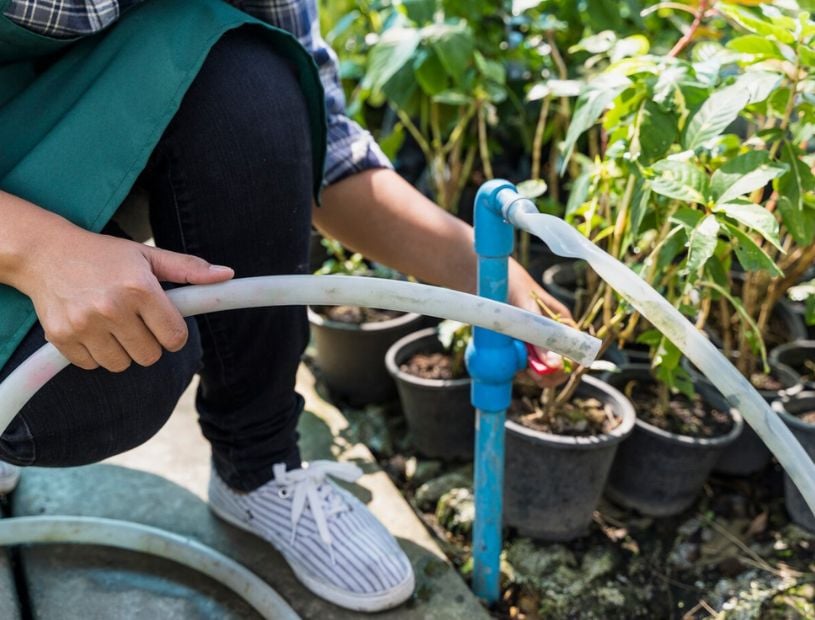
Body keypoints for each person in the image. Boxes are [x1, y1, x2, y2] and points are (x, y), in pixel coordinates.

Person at [0, 0, 570, 612]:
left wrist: (496, 283)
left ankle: (258, 463)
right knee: (105, 377)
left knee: (249, 71)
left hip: (40, 137)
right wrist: (39, 251)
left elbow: (322, 152)